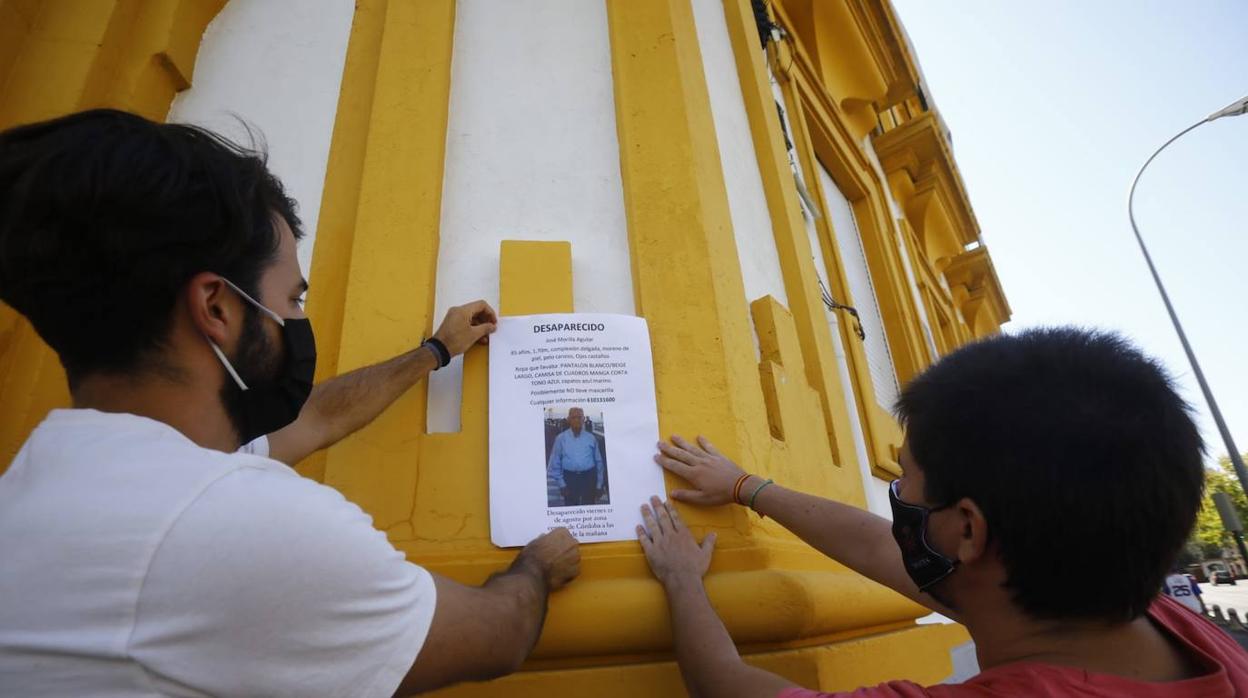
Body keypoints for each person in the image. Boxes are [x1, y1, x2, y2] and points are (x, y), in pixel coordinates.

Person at [0, 109, 581, 696]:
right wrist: (534, 567)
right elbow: (497, 636)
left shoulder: (37, 491)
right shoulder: (246, 524)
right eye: (292, 299)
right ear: (219, 308)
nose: (299, 321)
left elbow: (319, 417)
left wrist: (434, 351)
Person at [637, 328, 1248, 696]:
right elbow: (879, 547)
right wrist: (745, 486)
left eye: (906, 476)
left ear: (967, 530)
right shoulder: (1166, 626)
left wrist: (681, 580)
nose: (897, 495)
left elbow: (728, 685)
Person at [548, 407, 605, 506]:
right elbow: (554, 462)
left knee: (589, 507)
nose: (577, 420)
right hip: (569, 479)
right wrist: (562, 484)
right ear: (569, 419)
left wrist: (599, 485)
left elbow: (599, 462)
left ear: (583, 419)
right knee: (570, 507)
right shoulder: (561, 439)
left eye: (579, 417)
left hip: (589, 478)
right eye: (574, 417)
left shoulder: (591, 438)